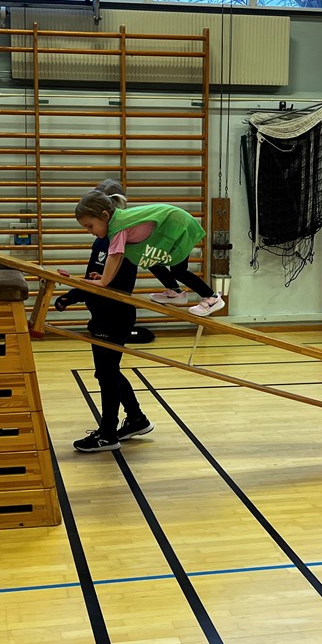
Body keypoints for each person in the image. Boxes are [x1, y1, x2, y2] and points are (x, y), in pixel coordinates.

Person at [60, 182, 154, 452]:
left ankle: (108, 433)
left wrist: (90, 286)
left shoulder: (123, 241)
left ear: (107, 212)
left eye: (90, 226)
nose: (89, 231)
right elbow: (96, 279)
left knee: (107, 373)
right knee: (107, 372)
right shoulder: (101, 241)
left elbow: (118, 285)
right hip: (102, 314)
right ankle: (136, 419)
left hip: (115, 315)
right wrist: (72, 295)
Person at [76, 183, 223, 317]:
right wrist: (105, 278)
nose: (89, 231)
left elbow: (114, 256)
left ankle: (212, 298)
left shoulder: (118, 226)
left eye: (90, 226)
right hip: (171, 226)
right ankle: (174, 291)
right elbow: (120, 257)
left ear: (105, 215)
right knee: (148, 260)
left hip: (179, 226)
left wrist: (103, 282)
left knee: (179, 271)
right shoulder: (117, 223)